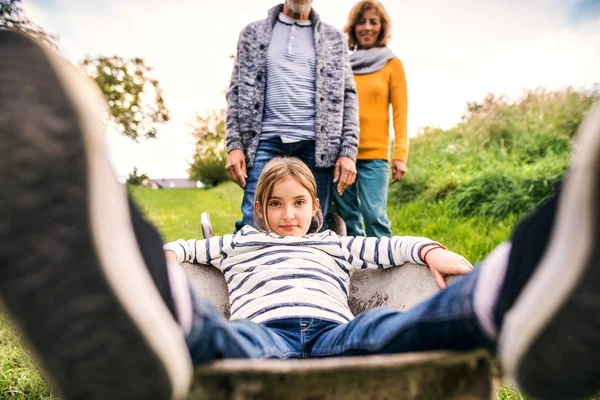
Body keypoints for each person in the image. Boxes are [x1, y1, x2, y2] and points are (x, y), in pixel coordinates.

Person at [2, 31, 600, 400]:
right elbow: (186, 251)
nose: (289, 216)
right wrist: (159, 259)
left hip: (339, 332)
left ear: (317, 210)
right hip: (268, 333)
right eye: (277, 206)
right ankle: (154, 315)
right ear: (259, 211)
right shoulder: (240, 244)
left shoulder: (334, 245)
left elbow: (384, 250)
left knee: (393, 329)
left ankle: (504, 294)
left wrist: (427, 251)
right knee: (229, 339)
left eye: (300, 205)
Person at [224, 0, 359, 232]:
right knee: (253, 223)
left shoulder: (334, 39)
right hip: (264, 141)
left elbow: (348, 96)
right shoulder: (252, 33)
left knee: (311, 227)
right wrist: (234, 146)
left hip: (319, 148)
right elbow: (236, 91)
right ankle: (248, 268)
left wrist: (348, 151)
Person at [334, 0, 408, 237]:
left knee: (374, 216)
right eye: (361, 22)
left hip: (375, 155)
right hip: (342, 154)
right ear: (353, 27)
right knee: (349, 219)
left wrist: (400, 155)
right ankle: (359, 271)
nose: (367, 27)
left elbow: (400, 112)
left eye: (373, 22)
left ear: (382, 27)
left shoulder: (392, 64)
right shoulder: (342, 63)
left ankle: (385, 270)